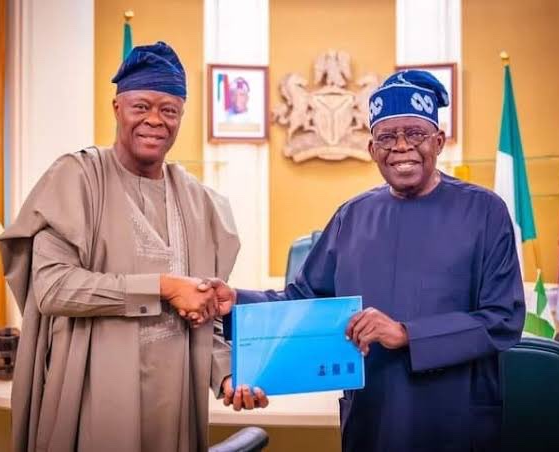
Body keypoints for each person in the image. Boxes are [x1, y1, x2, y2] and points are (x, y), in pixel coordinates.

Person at [210, 70, 525, 451]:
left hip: (456, 415)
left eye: (415, 134)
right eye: (387, 137)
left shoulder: (485, 211)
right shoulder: (352, 216)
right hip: (372, 416)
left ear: (439, 142)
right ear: (373, 149)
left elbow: (502, 320)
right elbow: (304, 299)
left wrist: (406, 334)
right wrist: (236, 301)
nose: (401, 147)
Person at [0, 42, 267, 452]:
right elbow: (52, 288)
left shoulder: (203, 204)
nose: (155, 120)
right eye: (141, 106)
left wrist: (227, 375)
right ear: (117, 108)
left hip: (175, 406)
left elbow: (206, 317)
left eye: (169, 110)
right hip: (92, 398)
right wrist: (163, 287)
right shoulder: (76, 178)